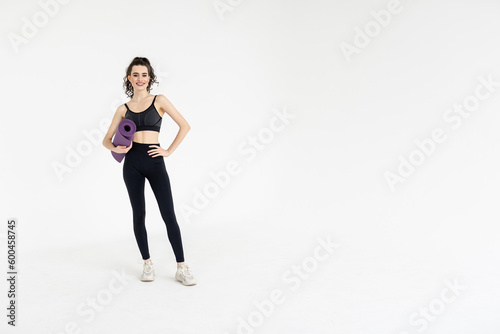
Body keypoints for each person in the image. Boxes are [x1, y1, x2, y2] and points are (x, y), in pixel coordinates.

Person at [102, 56, 196, 285]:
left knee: (168, 214)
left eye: (144, 74)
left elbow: (185, 125)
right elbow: (106, 140)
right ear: (129, 78)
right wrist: (118, 147)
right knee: (139, 214)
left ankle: (181, 267)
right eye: (135, 74)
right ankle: (147, 263)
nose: (140, 78)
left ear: (150, 77)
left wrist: (168, 151)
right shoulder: (122, 109)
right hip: (132, 163)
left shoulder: (160, 100)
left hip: (155, 161)